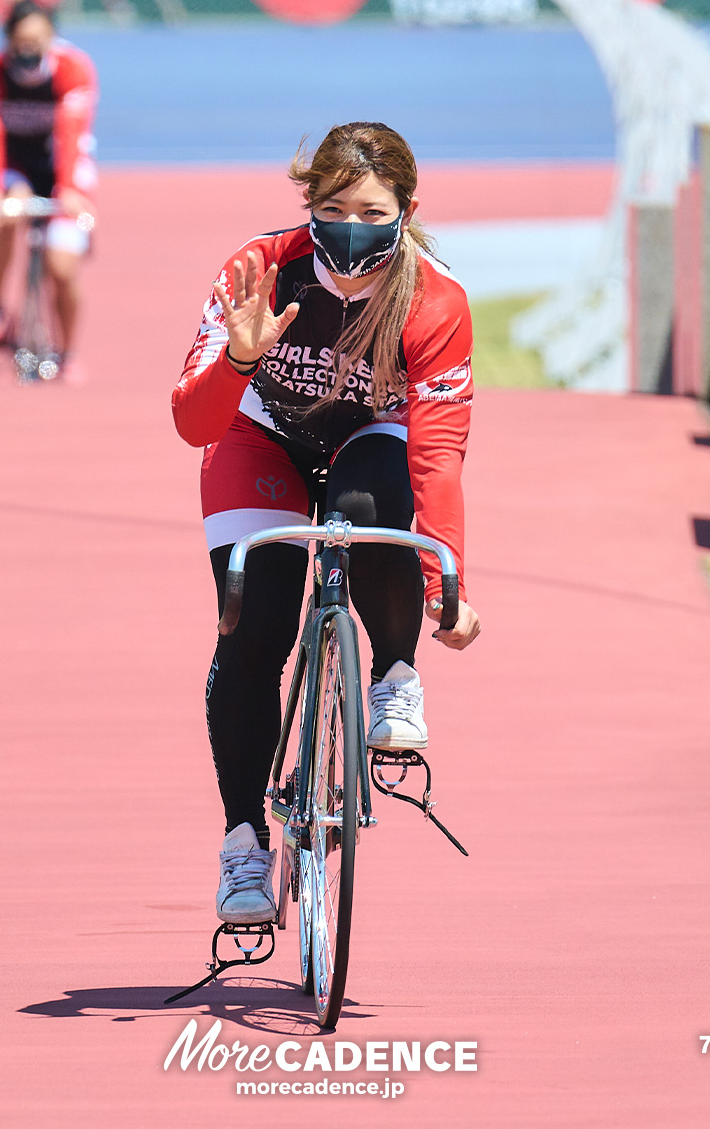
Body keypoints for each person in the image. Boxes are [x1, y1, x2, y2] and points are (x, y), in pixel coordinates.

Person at [170, 121, 483, 924]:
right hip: (258, 437)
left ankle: (393, 678)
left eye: (375, 211)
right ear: (308, 206)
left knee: (365, 516)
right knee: (253, 634)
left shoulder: (435, 299)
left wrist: (444, 581)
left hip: (366, 438)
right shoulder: (256, 271)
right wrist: (239, 359)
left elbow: (439, 453)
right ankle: (245, 844)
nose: (355, 225)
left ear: (407, 212)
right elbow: (194, 425)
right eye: (336, 207)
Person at [0, 0, 98, 377]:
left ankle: (68, 352)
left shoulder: (73, 68)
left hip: (64, 167)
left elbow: (73, 130)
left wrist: (70, 189)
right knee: (6, 214)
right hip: (15, 167)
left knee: (61, 264)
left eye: (38, 40)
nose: (29, 50)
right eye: (21, 41)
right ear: (7, 39)